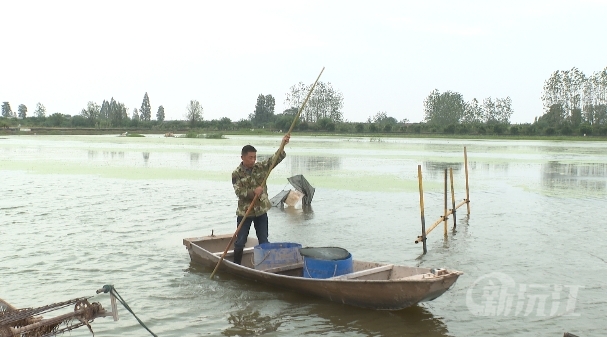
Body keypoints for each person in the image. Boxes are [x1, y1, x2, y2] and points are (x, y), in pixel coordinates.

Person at [231, 134, 290, 264]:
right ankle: (236, 266)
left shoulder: (260, 167)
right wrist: (253, 192)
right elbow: (239, 192)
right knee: (240, 241)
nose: (253, 160)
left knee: (263, 240)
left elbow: (273, 160)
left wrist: (282, 145)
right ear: (243, 157)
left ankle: (266, 265)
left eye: (254, 157)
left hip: (261, 211)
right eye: (250, 157)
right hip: (245, 212)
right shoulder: (236, 173)